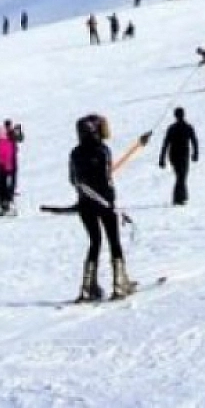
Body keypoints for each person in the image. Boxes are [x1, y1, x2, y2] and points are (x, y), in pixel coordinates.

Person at [69, 114, 135, 302]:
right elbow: (106, 179)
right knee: (114, 241)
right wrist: (110, 201)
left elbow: (73, 180)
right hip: (104, 203)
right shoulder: (103, 150)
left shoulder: (75, 153)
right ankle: (119, 284)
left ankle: (87, 287)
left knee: (95, 242)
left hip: (85, 203)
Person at [159, 108, 200, 206]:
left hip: (177, 155)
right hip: (179, 155)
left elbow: (194, 141)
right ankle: (178, 198)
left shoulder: (174, 128)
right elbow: (194, 141)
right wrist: (161, 159)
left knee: (181, 176)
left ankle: (182, 197)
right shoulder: (185, 127)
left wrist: (162, 158)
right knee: (181, 176)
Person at [0, 123, 19, 215]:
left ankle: (8, 204)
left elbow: (8, 155)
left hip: (6, 167)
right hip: (1, 166)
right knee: (1, 186)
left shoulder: (6, 143)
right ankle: (4, 205)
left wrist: (7, 165)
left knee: (5, 186)